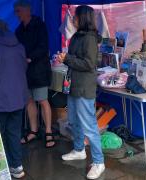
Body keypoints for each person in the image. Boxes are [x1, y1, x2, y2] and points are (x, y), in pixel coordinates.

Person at [57, 5, 105, 180]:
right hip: (74, 85)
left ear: (83, 18)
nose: (73, 20)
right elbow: (77, 60)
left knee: (90, 126)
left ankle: (99, 162)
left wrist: (68, 58)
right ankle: (79, 150)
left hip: (84, 87)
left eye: (75, 17)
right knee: (74, 120)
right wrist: (65, 58)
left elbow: (89, 64)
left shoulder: (91, 39)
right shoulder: (77, 36)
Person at [0, 18, 28, 179]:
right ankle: (17, 167)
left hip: (0, 99)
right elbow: (24, 67)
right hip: (18, 97)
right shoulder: (19, 46)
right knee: (14, 133)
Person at [14, 0, 55, 147]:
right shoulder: (18, 30)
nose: (16, 14)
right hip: (24, 71)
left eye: (18, 11)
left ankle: (49, 132)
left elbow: (44, 47)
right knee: (29, 101)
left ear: (27, 10)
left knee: (43, 100)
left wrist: (30, 57)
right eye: (16, 11)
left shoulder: (39, 25)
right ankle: (33, 131)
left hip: (39, 70)